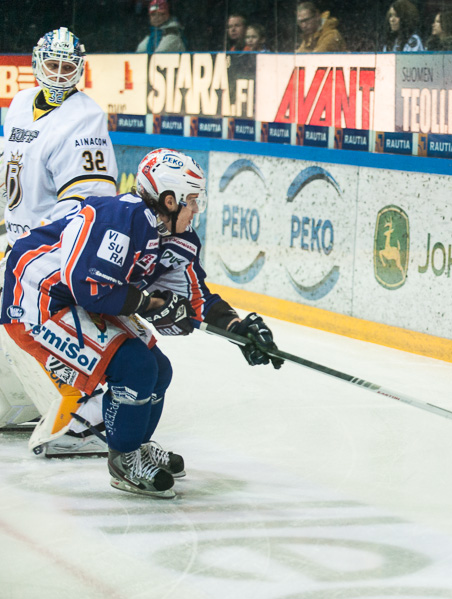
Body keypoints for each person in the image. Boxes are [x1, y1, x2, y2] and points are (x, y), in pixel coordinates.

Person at [1, 148, 284, 498]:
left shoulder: (179, 237)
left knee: (158, 369)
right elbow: (89, 287)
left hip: (76, 300)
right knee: (134, 367)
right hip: (37, 300)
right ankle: (124, 460)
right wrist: (149, 304)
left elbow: (196, 299)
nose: (197, 209)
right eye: (192, 200)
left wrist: (239, 329)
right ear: (169, 200)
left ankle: (137, 444)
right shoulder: (121, 219)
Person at [0, 27, 119, 458]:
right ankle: (18, 403)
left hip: (49, 248)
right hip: (16, 240)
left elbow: (90, 198)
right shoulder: (18, 104)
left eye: (69, 67)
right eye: (52, 65)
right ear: (37, 64)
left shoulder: (84, 118)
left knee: (29, 321)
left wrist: (42, 242)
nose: (60, 74)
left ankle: (84, 411)